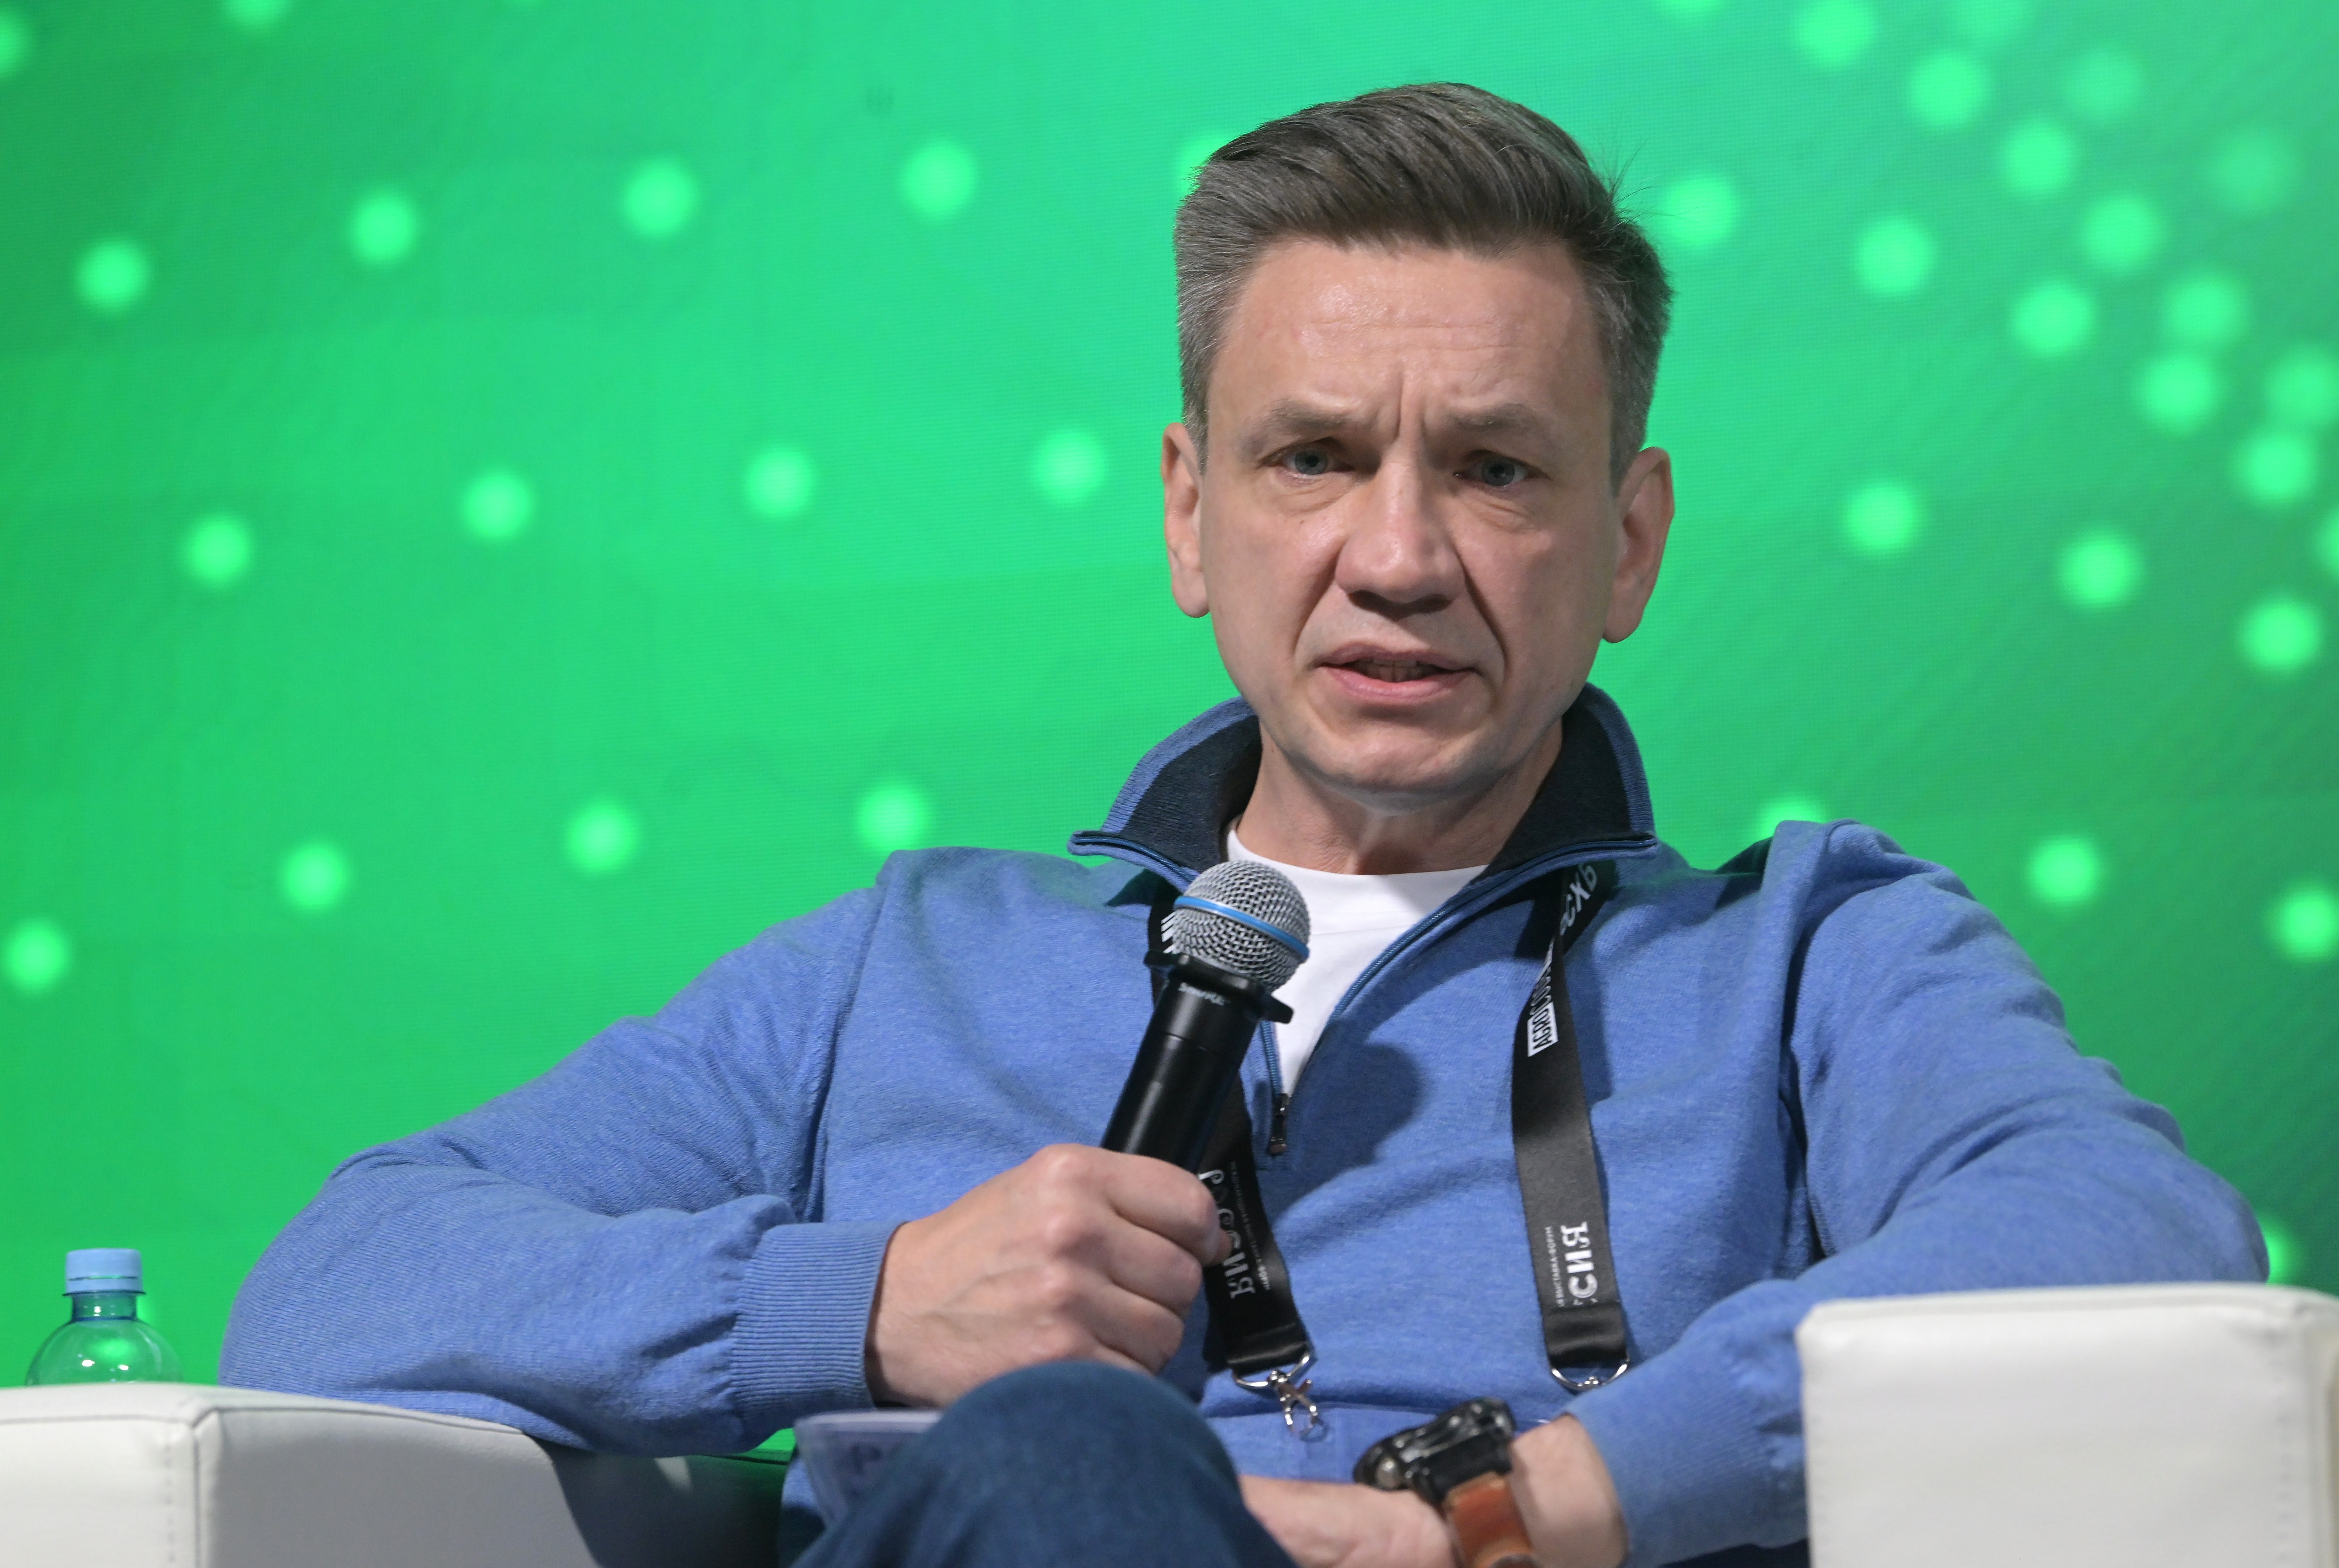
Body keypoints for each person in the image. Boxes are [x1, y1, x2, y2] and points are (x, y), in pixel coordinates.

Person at [223, 84, 2262, 1568]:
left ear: (1627, 542)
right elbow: (338, 1281)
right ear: (1191, 515)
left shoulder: (1810, 946)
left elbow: (2127, 1231)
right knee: (1063, 1461)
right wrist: (865, 1303)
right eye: (1313, 460)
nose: (1398, 555)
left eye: (1494, 469)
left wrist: (1542, 1501)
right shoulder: (913, 964)